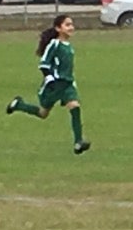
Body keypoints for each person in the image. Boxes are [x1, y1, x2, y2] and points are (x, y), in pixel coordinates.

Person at [5, 15, 90, 154]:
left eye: (71, 25)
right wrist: (50, 79)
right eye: (67, 25)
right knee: (42, 113)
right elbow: (44, 64)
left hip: (67, 84)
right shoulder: (54, 44)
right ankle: (18, 105)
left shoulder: (69, 47)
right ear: (58, 28)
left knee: (75, 106)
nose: (71, 27)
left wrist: (72, 82)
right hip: (54, 86)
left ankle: (78, 142)